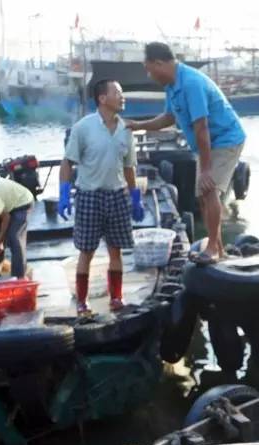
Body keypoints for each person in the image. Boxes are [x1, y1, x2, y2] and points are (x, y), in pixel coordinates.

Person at [127, 43, 246, 265]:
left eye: (149, 68)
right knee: (202, 194)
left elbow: (201, 127)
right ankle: (217, 248)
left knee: (209, 190)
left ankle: (212, 248)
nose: (149, 74)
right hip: (208, 144)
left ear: (159, 63)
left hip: (225, 138)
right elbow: (168, 118)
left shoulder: (191, 83)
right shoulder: (172, 87)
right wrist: (137, 125)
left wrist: (207, 169)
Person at [58, 79, 143, 315]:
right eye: (118, 92)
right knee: (86, 251)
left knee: (116, 249)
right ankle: (82, 301)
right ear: (102, 99)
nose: (122, 97)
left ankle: (116, 297)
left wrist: (135, 197)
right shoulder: (83, 128)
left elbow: (129, 167)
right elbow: (67, 163)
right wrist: (64, 193)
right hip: (89, 196)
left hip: (117, 195)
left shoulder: (126, 129)